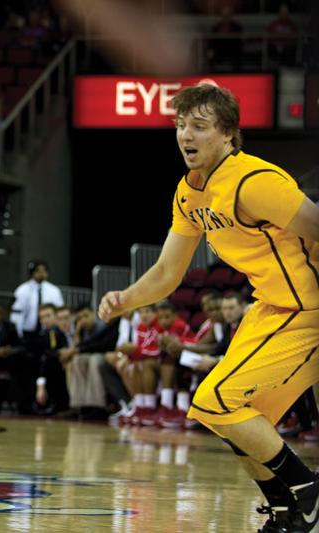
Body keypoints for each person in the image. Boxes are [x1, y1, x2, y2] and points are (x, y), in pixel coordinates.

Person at [98, 84, 319, 532]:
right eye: (180, 125)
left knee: (216, 400)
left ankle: (306, 489)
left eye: (199, 125)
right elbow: (166, 273)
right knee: (238, 419)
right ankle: (287, 511)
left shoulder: (255, 182)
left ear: (228, 135)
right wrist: (125, 299)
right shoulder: (190, 193)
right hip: (271, 307)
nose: (185, 135)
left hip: (307, 308)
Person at [10, 260, 64, 339]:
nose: (42, 273)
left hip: (49, 332)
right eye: (38, 271)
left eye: (44, 270)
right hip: (28, 332)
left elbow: (59, 311)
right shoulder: (22, 290)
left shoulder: (54, 290)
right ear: (32, 273)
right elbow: (17, 314)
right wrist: (18, 333)